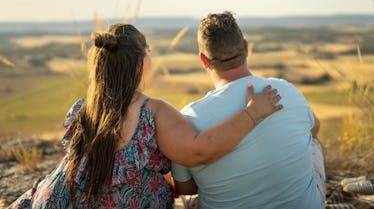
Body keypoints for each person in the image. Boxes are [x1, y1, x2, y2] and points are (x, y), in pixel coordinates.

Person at [8, 24, 282, 209]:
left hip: (55, 200)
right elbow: (198, 151)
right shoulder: (153, 111)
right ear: (140, 61)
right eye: (149, 50)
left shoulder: (83, 107)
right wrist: (252, 113)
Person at [172, 12, 326, 209]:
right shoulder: (285, 90)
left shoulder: (189, 117)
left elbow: (185, 187)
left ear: (203, 60)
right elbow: (314, 130)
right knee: (311, 141)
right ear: (246, 47)